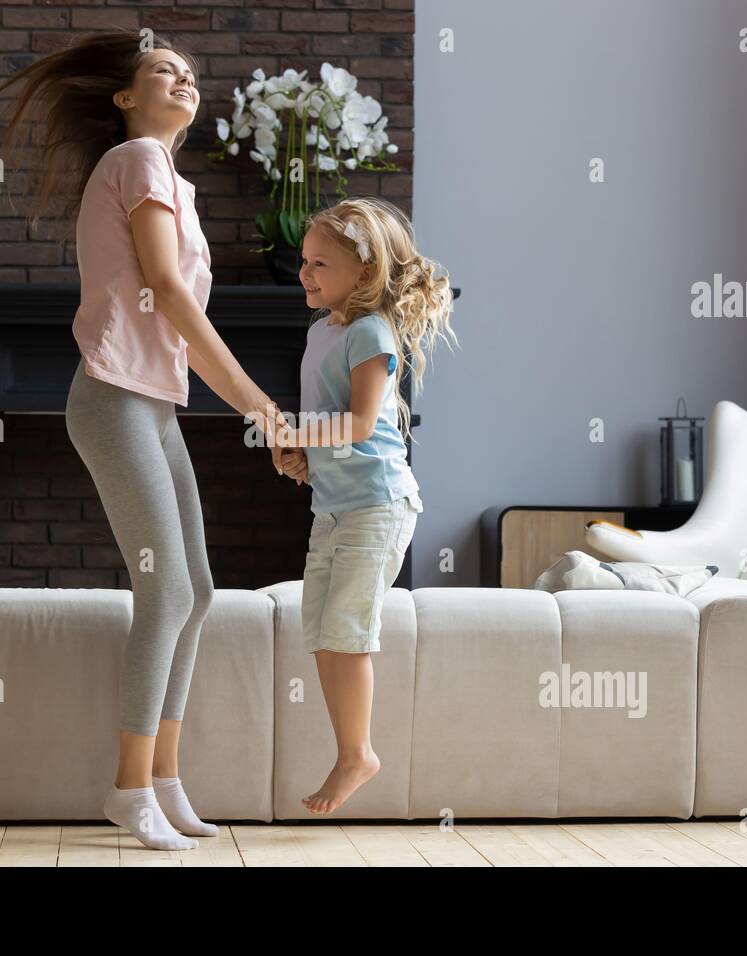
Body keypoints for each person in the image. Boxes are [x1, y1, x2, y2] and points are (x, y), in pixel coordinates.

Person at [0, 31, 286, 851]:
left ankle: (165, 780)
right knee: (170, 591)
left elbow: (177, 317)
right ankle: (127, 788)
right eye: (160, 70)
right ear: (124, 99)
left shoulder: (171, 178)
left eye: (188, 70)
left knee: (200, 591)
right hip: (113, 399)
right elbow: (171, 295)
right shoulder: (138, 158)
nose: (182, 76)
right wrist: (259, 405)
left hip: (152, 405)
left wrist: (250, 407)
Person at [273, 197, 458, 814]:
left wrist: (297, 432)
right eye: (304, 261)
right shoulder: (320, 331)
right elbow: (328, 429)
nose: (305, 274)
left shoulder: (370, 332)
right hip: (333, 507)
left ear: (364, 270)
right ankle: (351, 750)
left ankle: (358, 754)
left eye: (320, 263)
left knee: (347, 634)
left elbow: (357, 424)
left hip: (377, 505)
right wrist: (299, 458)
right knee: (323, 636)